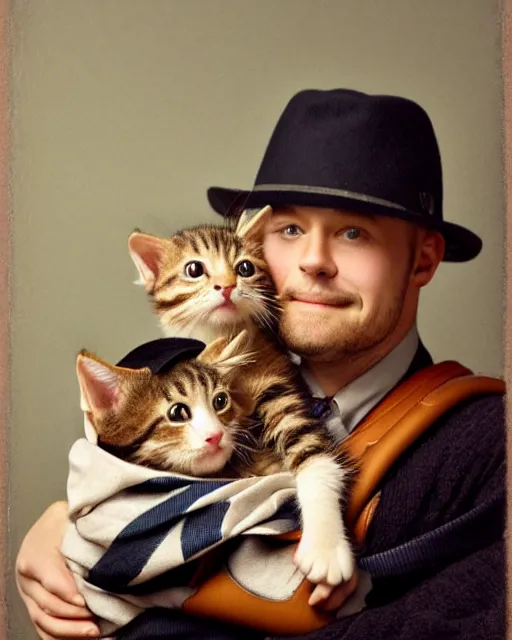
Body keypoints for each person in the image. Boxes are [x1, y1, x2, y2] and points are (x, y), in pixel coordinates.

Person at [16, 89, 505, 640]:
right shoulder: (203, 386)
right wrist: (74, 529)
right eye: (290, 230)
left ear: (424, 259)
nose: (313, 261)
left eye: (353, 232)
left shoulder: (490, 444)